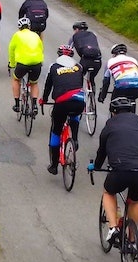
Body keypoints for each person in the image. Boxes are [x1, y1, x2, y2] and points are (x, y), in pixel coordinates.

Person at [88, 97, 138, 246]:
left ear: (113, 112)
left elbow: (102, 150)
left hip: (121, 169)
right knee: (134, 202)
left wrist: (97, 166)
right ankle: (131, 241)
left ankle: (113, 228)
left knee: (108, 192)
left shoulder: (110, 124)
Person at [41, 45, 86, 175]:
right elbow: (79, 83)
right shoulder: (79, 67)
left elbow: (48, 86)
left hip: (62, 102)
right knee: (74, 116)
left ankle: (54, 165)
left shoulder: (54, 67)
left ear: (59, 55)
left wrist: (44, 100)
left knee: (56, 131)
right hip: (78, 99)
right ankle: (75, 140)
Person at [8, 16, 44, 113]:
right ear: (29, 26)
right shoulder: (36, 35)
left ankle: (17, 104)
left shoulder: (17, 35)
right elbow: (41, 48)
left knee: (16, 79)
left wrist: (12, 64)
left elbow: (11, 49)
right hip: (36, 63)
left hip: (22, 64)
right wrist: (41, 62)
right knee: (34, 83)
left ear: (19, 27)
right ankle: (35, 105)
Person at [68, 21, 103, 89]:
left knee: (78, 77)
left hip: (86, 60)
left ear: (77, 29)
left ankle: (79, 91)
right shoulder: (93, 34)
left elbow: (69, 50)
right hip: (97, 60)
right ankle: (92, 95)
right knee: (91, 79)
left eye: (74, 30)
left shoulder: (74, 37)